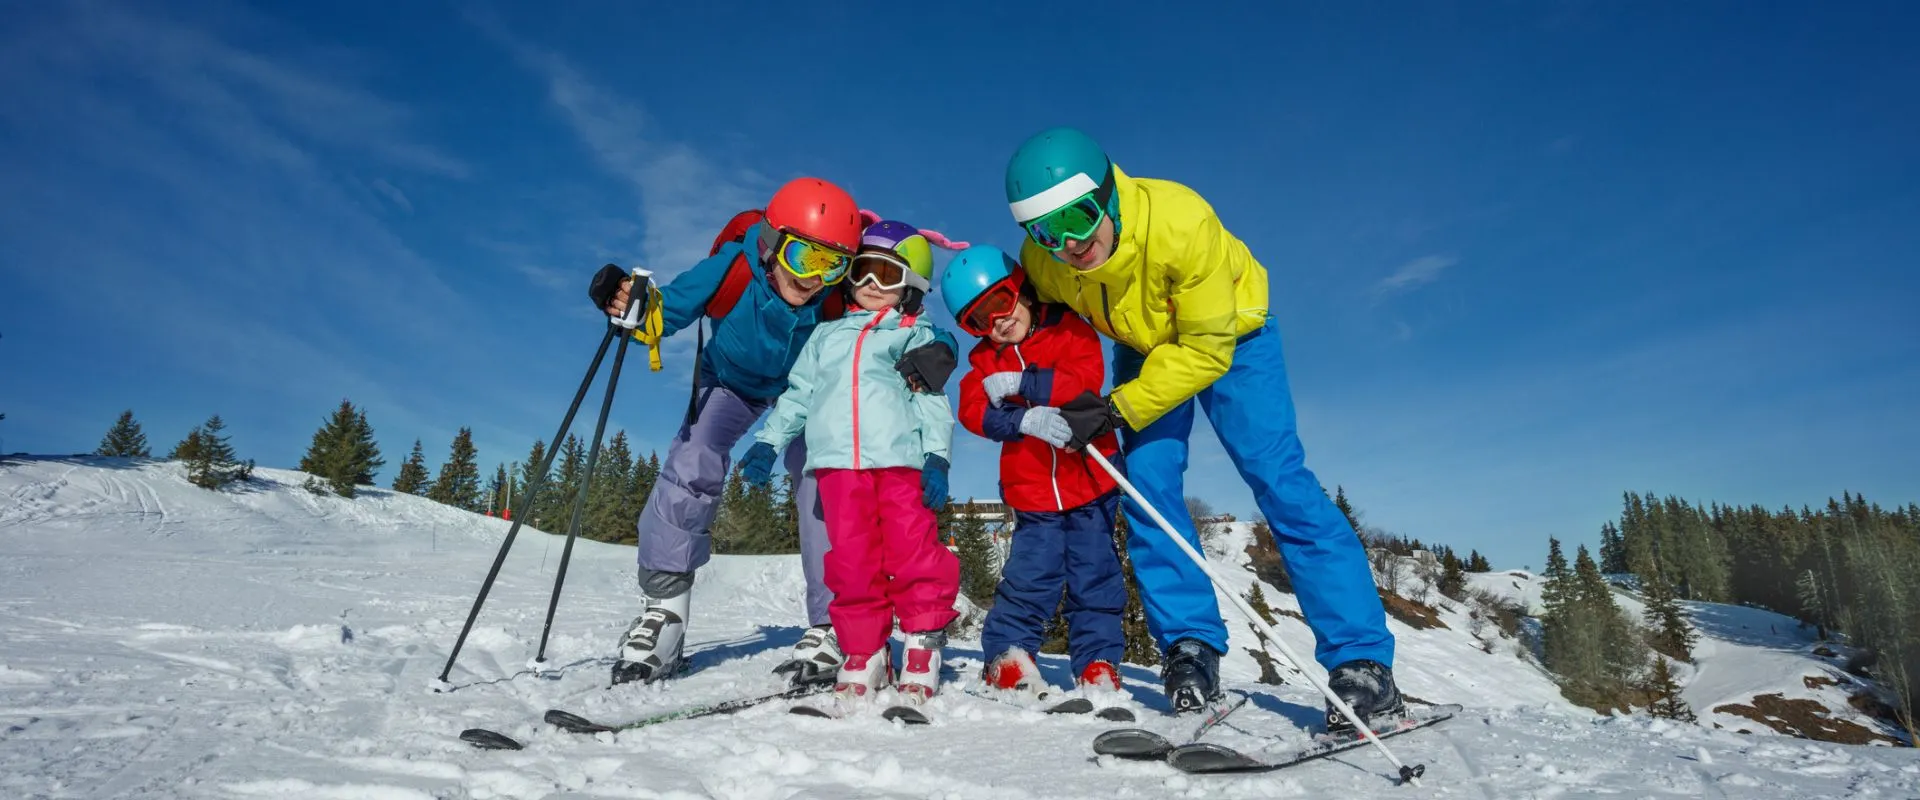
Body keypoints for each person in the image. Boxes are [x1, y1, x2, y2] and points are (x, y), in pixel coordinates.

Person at [1000, 126, 1402, 732]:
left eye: (1079, 218)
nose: (1068, 244)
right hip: (1145, 347)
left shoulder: (1180, 222)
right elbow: (1010, 312)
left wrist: (1114, 409)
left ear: (1107, 194)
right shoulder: (1046, 262)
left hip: (1233, 338)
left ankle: (1361, 663)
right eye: (1045, 232)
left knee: (1277, 479)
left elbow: (1207, 351)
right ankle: (1190, 649)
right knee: (1147, 486)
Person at [586, 179, 959, 688]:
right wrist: (633, 304)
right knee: (694, 458)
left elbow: (900, 316)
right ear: (772, 243)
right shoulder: (736, 269)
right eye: (804, 257)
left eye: (831, 265)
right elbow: (667, 308)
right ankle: (665, 612)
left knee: (823, 477)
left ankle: (834, 625)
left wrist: (941, 348)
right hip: (732, 384)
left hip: (805, 395)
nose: (813, 278)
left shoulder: (832, 300)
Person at [741, 219, 961, 705]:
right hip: (837, 468)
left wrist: (936, 458)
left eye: (886, 274)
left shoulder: (914, 337)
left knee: (913, 553)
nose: (870, 286)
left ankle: (922, 643)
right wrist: (768, 442)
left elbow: (931, 401)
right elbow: (798, 395)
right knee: (851, 561)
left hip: (899, 463)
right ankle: (865, 650)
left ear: (910, 284)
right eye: (862, 272)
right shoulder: (827, 337)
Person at [939, 245, 1128, 697]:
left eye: (1001, 303)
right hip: (1033, 491)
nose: (999, 322)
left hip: (1091, 481)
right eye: (981, 320)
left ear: (1021, 289)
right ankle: (1009, 654)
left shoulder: (1068, 329)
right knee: (1032, 574)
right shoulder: (986, 360)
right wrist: (1019, 420)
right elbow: (970, 408)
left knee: (1095, 573)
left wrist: (1027, 386)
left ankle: (1097, 662)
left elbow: (1086, 378)